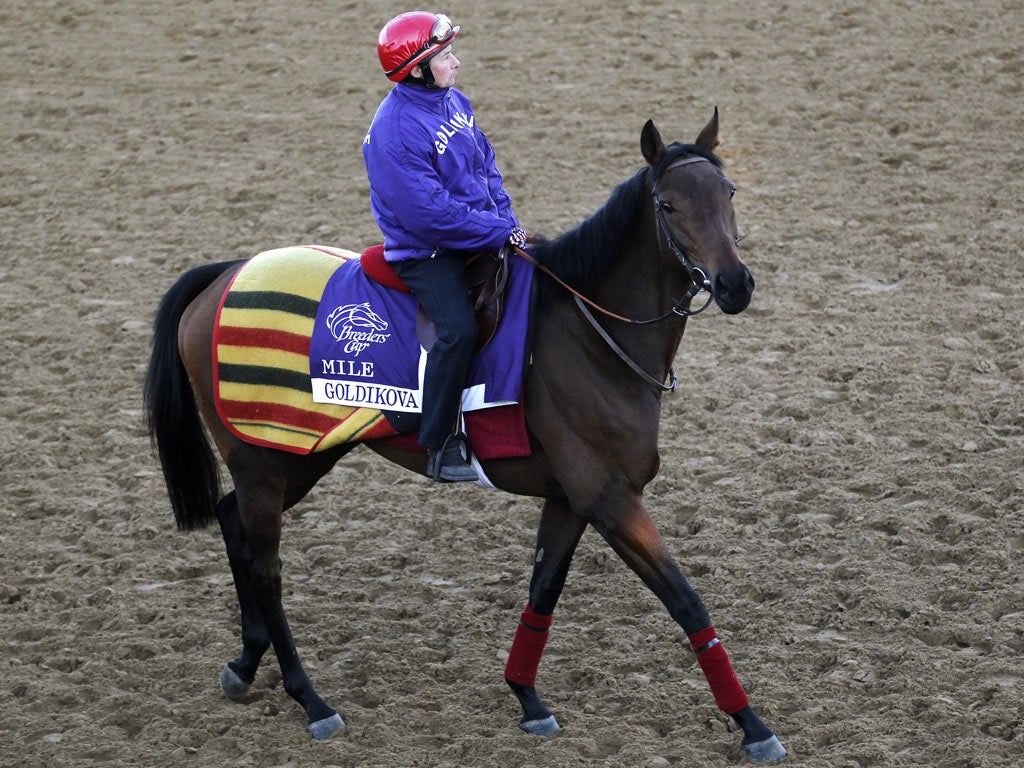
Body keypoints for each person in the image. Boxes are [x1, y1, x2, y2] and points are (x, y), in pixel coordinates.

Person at [363, 11, 527, 483]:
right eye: (445, 56)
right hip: (427, 251)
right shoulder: (393, 134)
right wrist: (493, 231)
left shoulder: (454, 101)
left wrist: (505, 220)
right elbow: (429, 214)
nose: (456, 62)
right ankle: (438, 444)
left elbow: (485, 166)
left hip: (475, 230)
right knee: (457, 328)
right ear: (416, 69)